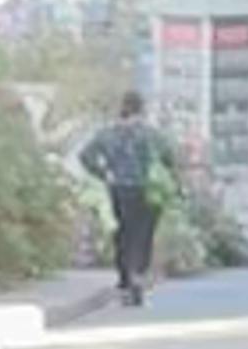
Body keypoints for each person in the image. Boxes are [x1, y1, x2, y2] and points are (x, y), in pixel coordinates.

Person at [74, 90, 174, 312]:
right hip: (147, 190)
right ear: (141, 108)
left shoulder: (108, 134)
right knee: (143, 235)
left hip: (118, 189)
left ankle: (125, 278)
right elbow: (169, 155)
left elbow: (85, 155)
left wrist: (103, 172)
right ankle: (138, 272)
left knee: (122, 235)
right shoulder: (150, 134)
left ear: (122, 108)